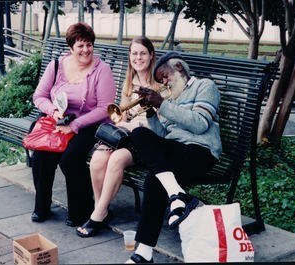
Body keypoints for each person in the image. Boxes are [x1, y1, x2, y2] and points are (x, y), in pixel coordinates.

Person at [125, 51, 222, 263]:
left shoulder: (205, 86)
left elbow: (199, 124)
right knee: (139, 133)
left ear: (178, 68)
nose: (164, 82)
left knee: (155, 177)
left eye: (165, 76)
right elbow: (164, 136)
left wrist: (161, 104)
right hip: (174, 150)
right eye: (160, 80)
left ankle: (143, 252)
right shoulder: (172, 98)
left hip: (200, 151)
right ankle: (177, 194)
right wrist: (151, 113)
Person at [31, 22, 116, 227]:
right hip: (59, 120)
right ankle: (42, 205)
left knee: (71, 159)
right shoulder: (57, 65)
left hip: (90, 123)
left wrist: (75, 125)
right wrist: (53, 111)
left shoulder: (101, 70)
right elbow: (39, 96)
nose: (86, 50)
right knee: (42, 153)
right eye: (80, 46)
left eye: (89, 45)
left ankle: (81, 211)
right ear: (71, 48)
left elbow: (105, 108)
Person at [76, 36, 163, 237]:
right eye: (134, 53)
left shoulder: (159, 83)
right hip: (125, 135)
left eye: (143, 53)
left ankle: (96, 215)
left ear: (151, 56)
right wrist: (122, 120)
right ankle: (102, 209)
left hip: (146, 139)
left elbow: (160, 123)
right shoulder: (129, 82)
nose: (138, 57)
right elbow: (122, 115)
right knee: (98, 159)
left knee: (115, 159)